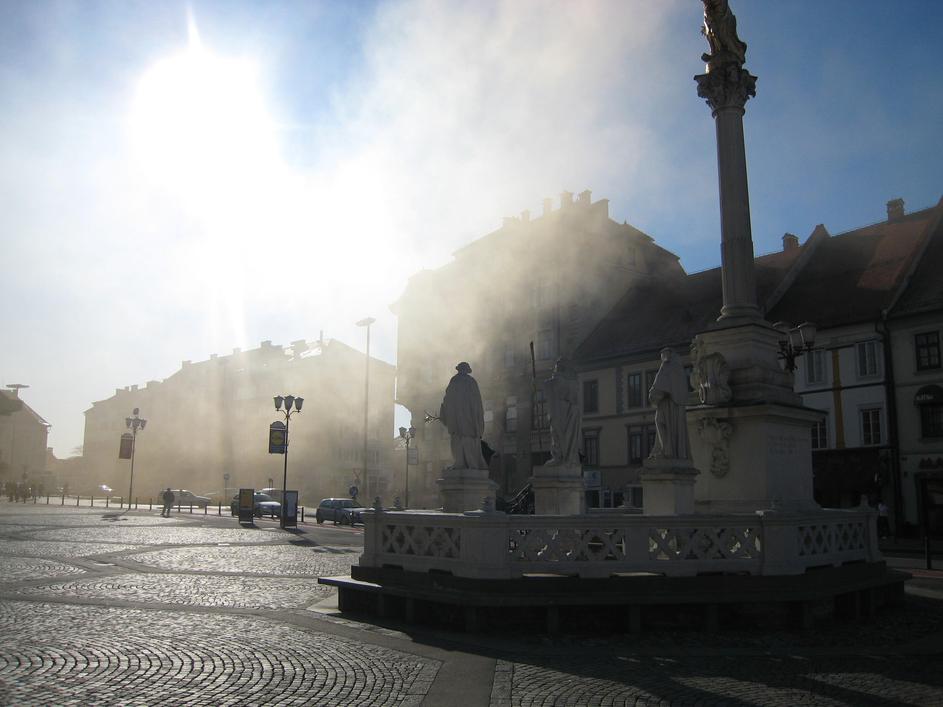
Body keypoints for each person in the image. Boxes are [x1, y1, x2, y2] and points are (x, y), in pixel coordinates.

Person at [439, 362, 489, 470]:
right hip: (466, 420)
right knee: (463, 439)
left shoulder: (457, 381)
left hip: (461, 420)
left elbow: (447, 399)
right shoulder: (469, 382)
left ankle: (463, 463)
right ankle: (464, 463)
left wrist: (445, 412)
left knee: (461, 439)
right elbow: (477, 404)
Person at [648, 347, 691, 460]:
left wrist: (654, 394)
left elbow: (661, 387)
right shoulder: (675, 368)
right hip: (667, 404)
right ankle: (665, 449)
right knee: (663, 424)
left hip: (669, 405)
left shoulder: (670, 367)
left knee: (661, 422)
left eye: (664, 354)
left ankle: (667, 450)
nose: (662, 357)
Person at [544, 358, 582, 466]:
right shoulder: (572, 384)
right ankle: (563, 457)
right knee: (563, 437)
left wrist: (535, 382)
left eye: (556, 367)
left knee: (557, 435)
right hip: (566, 415)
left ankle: (559, 457)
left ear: (557, 368)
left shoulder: (553, 382)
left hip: (557, 414)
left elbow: (547, 385)